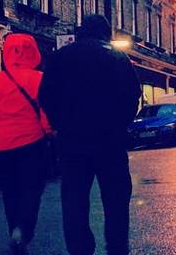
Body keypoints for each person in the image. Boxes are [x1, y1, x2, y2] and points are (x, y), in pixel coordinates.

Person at [39, 15, 141, 255]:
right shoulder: (118, 57)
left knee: (74, 200)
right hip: (110, 141)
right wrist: (120, 123)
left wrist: (59, 123)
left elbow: (45, 95)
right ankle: (117, 247)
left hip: (72, 141)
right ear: (106, 32)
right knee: (116, 199)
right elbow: (133, 95)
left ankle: (80, 248)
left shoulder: (61, 57)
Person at [0, 33, 51, 255]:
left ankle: (14, 231)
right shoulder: (40, 79)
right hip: (33, 143)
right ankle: (24, 230)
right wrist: (49, 131)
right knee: (32, 189)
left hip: (3, 146)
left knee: (11, 192)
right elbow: (46, 112)